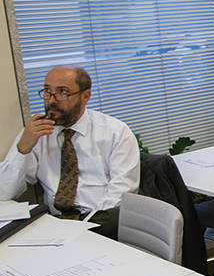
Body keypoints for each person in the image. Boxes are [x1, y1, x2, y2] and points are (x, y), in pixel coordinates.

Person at [0, 65, 139, 240]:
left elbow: (120, 196)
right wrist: (22, 149)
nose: (51, 100)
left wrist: (85, 228)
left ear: (85, 96)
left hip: (101, 222)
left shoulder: (115, 132)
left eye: (62, 92)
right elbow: (4, 193)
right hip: (55, 223)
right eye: (47, 91)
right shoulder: (37, 133)